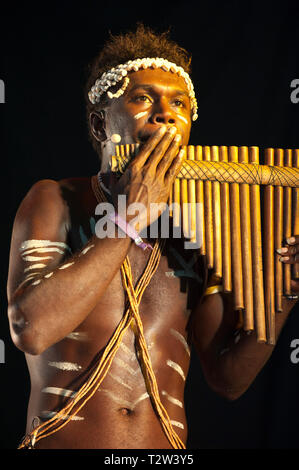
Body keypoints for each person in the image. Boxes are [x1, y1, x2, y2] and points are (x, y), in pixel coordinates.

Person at [7, 24, 299, 449]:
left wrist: (284, 291)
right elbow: (29, 328)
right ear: (100, 122)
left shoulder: (199, 229)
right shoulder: (55, 199)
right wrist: (128, 217)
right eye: (143, 98)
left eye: (179, 103)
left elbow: (229, 378)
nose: (166, 113)